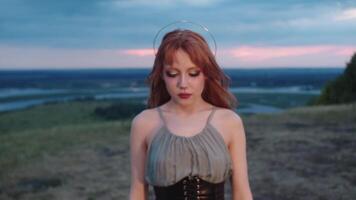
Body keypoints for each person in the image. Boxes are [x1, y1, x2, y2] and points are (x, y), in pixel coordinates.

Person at [129, 29, 253, 200]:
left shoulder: (229, 122)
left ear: (206, 74)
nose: (183, 84)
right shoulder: (144, 123)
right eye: (172, 74)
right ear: (162, 75)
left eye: (193, 73)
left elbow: (242, 193)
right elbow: (137, 192)